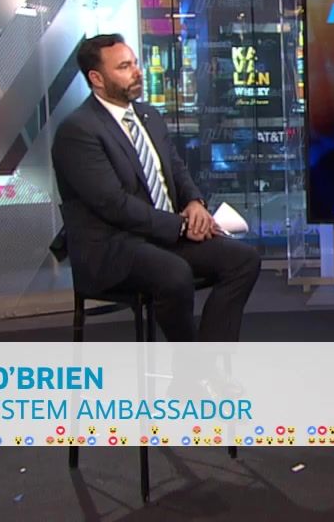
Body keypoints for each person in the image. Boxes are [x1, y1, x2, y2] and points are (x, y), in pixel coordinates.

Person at [52, 33, 261, 343]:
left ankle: (208, 357)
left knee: (244, 260)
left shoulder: (149, 116)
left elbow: (176, 169)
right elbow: (113, 204)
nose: (137, 72)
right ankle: (190, 364)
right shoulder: (78, 130)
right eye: (124, 67)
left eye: (135, 63)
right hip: (113, 246)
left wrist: (194, 203)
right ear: (96, 78)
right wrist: (181, 226)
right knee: (174, 273)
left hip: (163, 236)